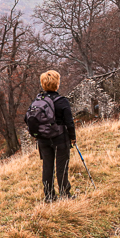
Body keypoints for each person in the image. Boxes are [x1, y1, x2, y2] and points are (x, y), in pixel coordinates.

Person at [36, 70, 76, 203]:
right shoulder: (62, 101)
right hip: (60, 138)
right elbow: (69, 122)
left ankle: (49, 196)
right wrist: (72, 137)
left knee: (47, 167)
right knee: (61, 167)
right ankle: (65, 194)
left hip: (42, 139)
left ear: (43, 84)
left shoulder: (38, 100)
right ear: (57, 84)